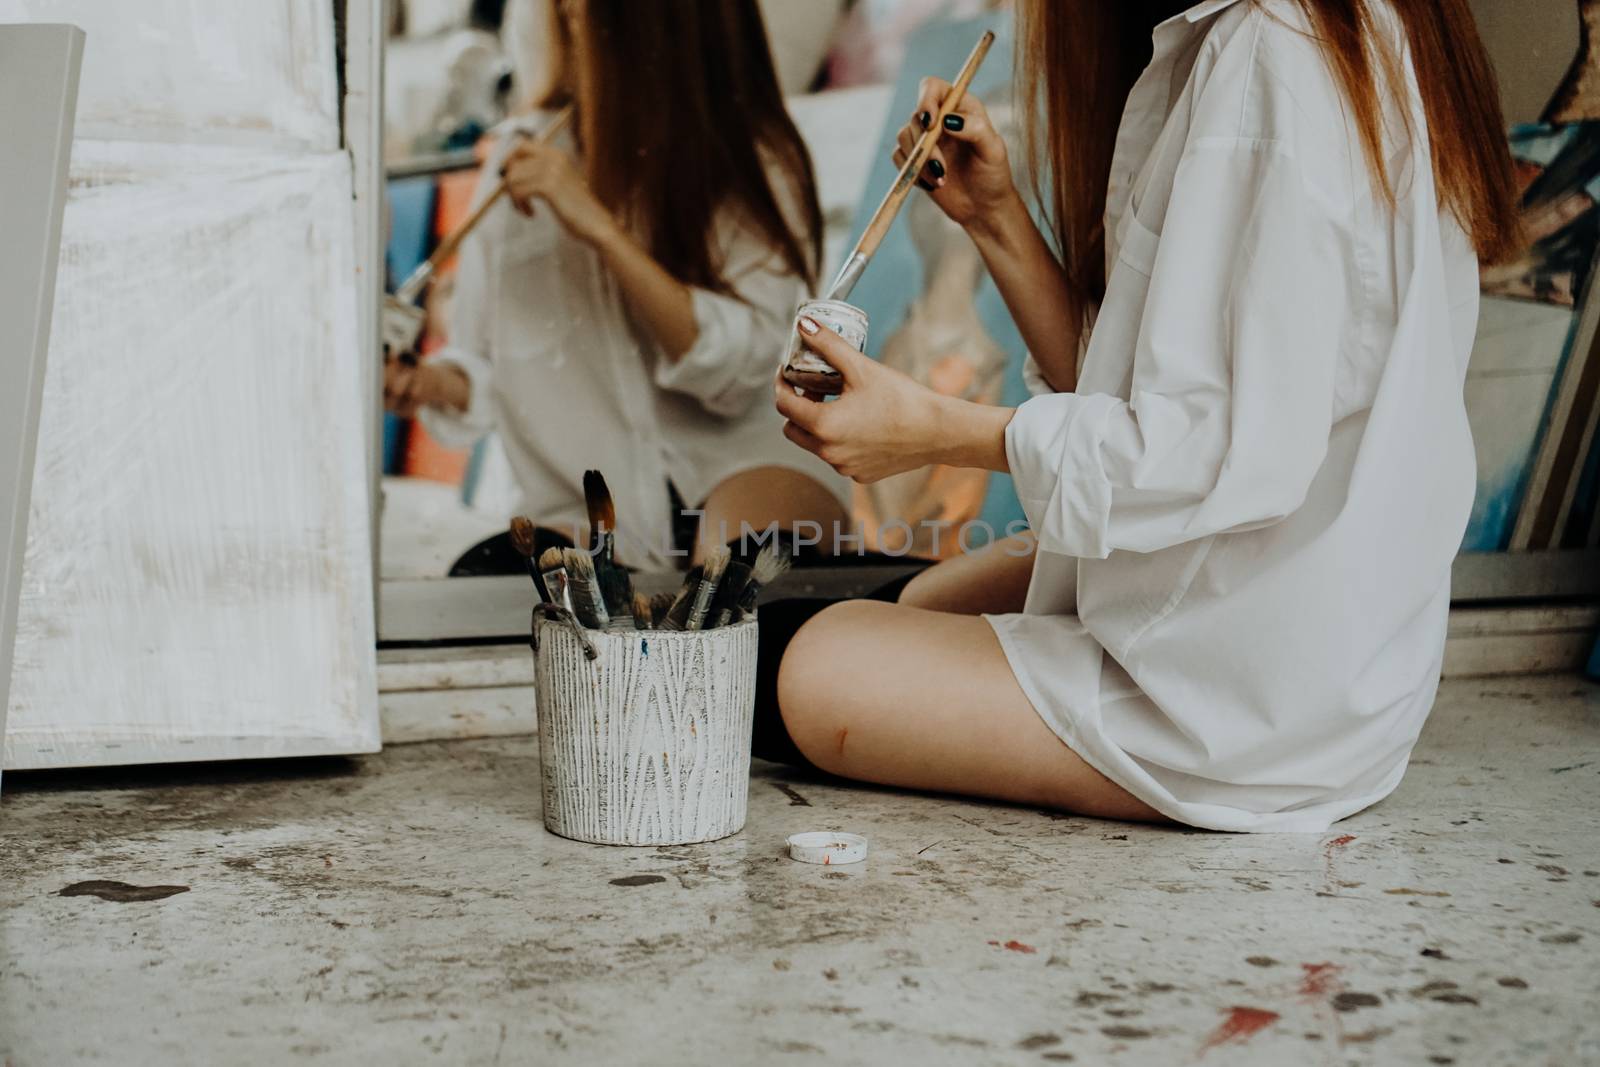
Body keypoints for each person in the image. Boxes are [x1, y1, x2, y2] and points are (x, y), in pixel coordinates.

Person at [763, 0, 1522, 831]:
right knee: (885, 603)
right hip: (1291, 628)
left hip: (1237, 698)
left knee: (800, 666)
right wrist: (996, 218)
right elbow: (1154, 399)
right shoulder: (1321, 36)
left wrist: (938, 431)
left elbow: (1221, 454)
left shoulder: (1274, 56)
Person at [385, 0, 848, 571]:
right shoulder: (521, 156)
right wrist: (425, 384)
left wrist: (601, 231)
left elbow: (740, 369)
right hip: (589, 505)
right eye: (564, 13)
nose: (567, 22)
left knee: (734, 586)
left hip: (738, 466)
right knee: (487, 578)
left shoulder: (744, 154)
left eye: (588, 15)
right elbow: (481, 364)